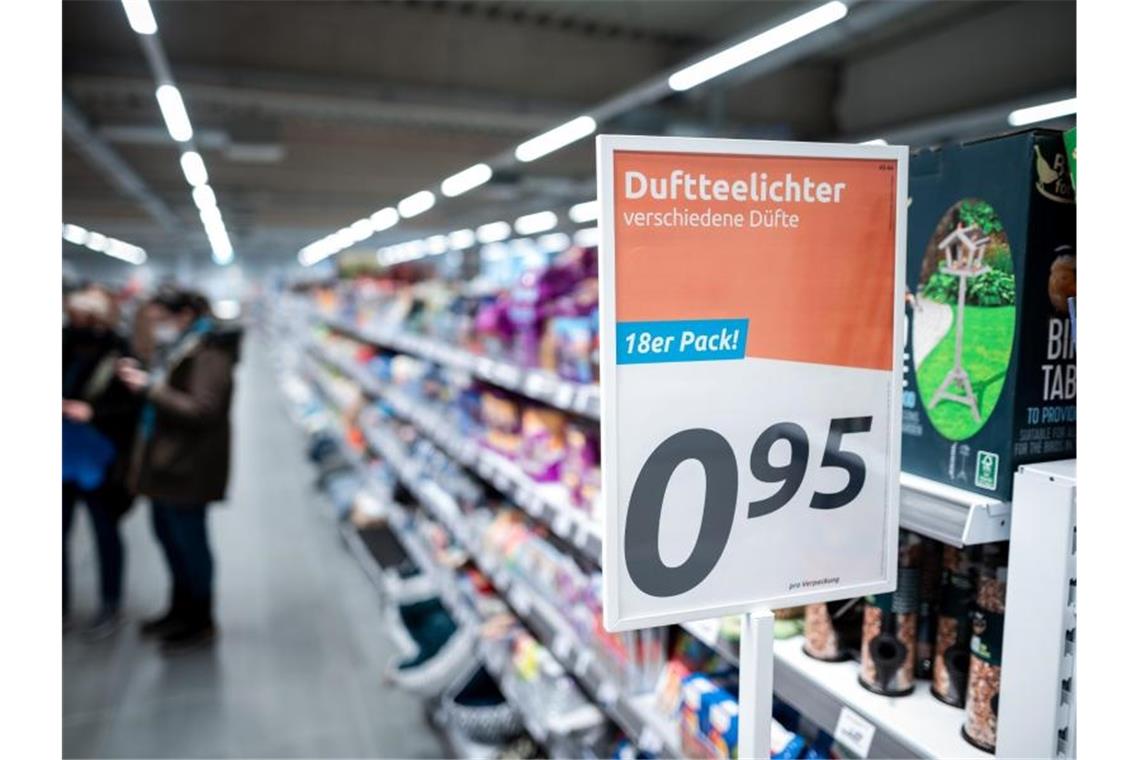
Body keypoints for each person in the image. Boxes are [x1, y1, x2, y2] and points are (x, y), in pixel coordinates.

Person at [117, 287, 241, 653]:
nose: (157, 327)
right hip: (166, 463)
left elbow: (203, 409)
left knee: (190, 544)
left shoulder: (210, 351)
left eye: (161, 319)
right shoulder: (183, 346)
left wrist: (150, 389)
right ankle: (178, 609)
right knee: (169, 539)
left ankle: (200, 620)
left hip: (189, 466)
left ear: (185, 314)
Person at [63, 285, 142, 639]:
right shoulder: (62, 344)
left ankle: (111, 603)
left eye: (84, 318)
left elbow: (132, 407)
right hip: (62, 452)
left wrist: (93, 411)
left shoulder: (119, 352)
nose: (77, 324)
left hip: (101, 456)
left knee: (105, 531)